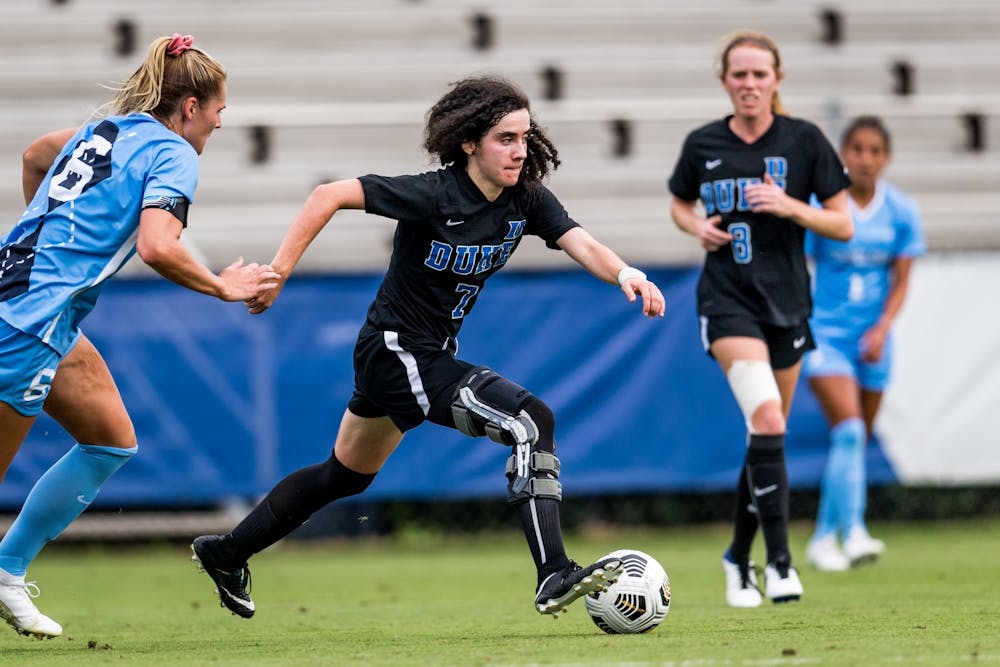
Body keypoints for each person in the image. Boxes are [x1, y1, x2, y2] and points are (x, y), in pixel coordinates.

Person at [191, 75, 665, 621]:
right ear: (469, 142)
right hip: (397, 352)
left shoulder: (526, 198)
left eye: (525, 137)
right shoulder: (433, 194)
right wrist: (278, 272)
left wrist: (627, 272)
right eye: (505, 138)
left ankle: (226, 553)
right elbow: (328, 195)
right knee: (531, 421)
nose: (520, 150)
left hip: (413, 355)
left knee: (344, 475)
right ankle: (554, 570)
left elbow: (579, 240)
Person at [0, 34, 279, 638]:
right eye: (218, 110)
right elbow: (157, 245)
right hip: (27, 323)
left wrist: (51, 252)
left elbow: (32, 156)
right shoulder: (176, 154)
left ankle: (7, 570)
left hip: (24, 299)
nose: (220, 123)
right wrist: (223, 287)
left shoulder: (107, 129)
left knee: (110, 440)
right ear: (188, 109)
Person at [667, 31, 853, 608]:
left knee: (766, 433)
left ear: (777, 79)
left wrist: (792, 206)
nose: (749, 84)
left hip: (789, 304)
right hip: (727, 300)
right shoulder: (704, 142)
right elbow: (679, 201)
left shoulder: (804, 140)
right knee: (768, 417)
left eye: (759, 74)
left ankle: (735, 558)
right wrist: (694, 225)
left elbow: (843, 223)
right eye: (739, 74)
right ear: (724, 80)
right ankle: (779, 564)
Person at [803, 116, 925, 572]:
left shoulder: (902, 211)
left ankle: (821, 540)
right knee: (850, 430)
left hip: (874, 341)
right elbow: (801, 265)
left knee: (853, 441)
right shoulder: (823, 207)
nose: (865, 159)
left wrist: (882, 329)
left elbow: (901, 281)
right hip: (826, 337)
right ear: (843, 155)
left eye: (875, 150)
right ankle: (853, 531)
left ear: (885, 157)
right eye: (857, 149)